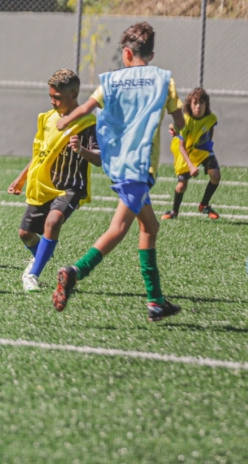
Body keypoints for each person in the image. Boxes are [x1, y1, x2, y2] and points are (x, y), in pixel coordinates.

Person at [51, 22, 194, 322]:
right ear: (150, 54)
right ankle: (75, 272)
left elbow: (87, 108)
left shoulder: (113, 81)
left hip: (119, 164)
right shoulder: (163, 80)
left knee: (150, 228)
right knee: (118, 229)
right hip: (139, 167)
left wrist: (64, 122)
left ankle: (155, 301)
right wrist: (177, 127)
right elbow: (180, 122)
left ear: (126, 53)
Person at [7, 69, 100, 292]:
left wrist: (81, 150)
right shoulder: (48, 119)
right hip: (44, 185)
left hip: (71, 187)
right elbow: (41, 154)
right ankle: (42, 255)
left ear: (73, 94)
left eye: (57, 97)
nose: (52, 101)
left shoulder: (87, 122)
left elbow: (99, 159)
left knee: (53, 221)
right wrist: (22, 178)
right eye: (50, 96)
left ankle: (32, 275)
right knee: (25, 234)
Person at [162, 87, 221, 220]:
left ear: (207, 105)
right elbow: (181, 146)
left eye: (202, 103)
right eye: (195, 103)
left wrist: (207, 147)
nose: (198, 106)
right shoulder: (186, 121)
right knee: (181, 186)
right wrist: (191, 166)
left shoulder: (211, 118)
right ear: (190, 105)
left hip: (204, 151)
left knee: (216, 176)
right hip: (187, 152)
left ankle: (204, 205)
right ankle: (174, 212)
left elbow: (209, 131)